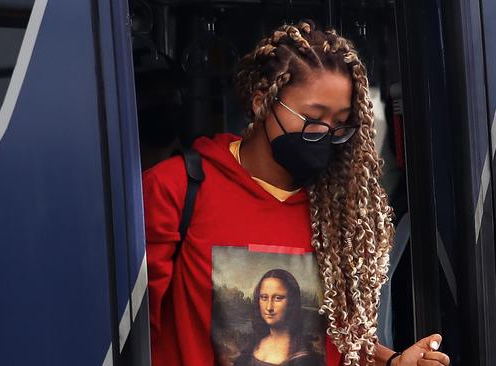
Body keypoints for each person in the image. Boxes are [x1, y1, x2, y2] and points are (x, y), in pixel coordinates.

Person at [143, 20, 451, 366]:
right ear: (263, 102)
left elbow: (341, 341)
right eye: (313, 117)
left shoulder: (339, 209)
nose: (325, 133)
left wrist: (393, 361)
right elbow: (137, 333)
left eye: (340, 123)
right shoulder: (175, 189)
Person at [234, 269, 324, 366]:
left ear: (291, 302)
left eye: (278, 298)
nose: (269, 307)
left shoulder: (303, 357)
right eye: (264, 297)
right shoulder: (253, 344)